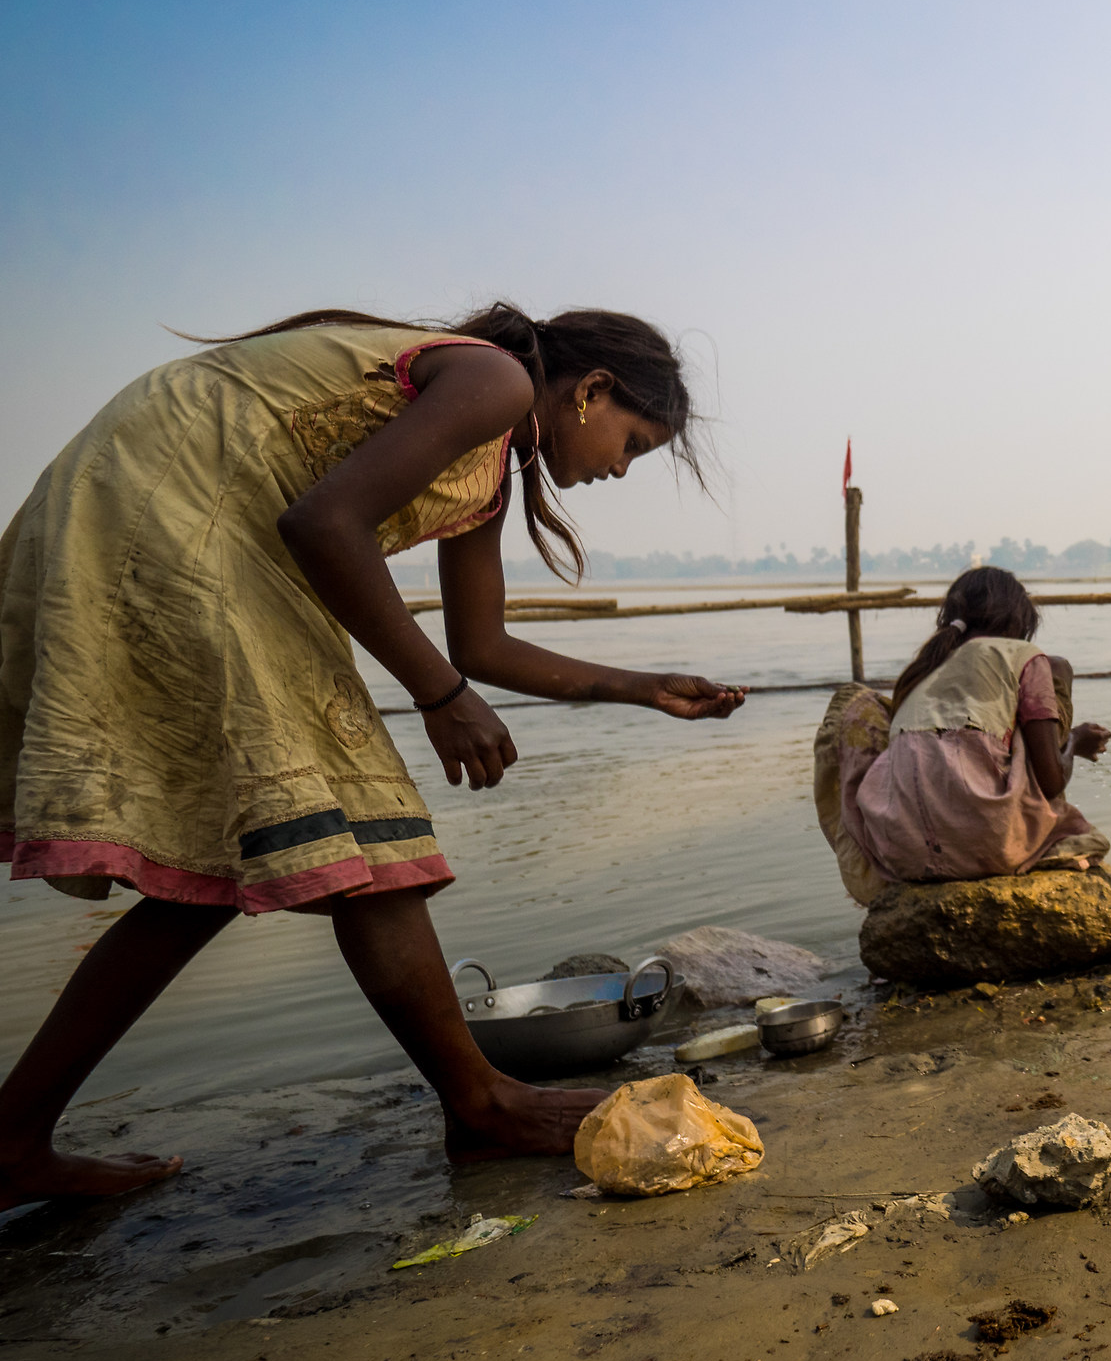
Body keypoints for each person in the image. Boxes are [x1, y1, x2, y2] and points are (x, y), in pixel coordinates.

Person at [0, 305, 748, 1210]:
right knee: (367, 834)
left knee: (221, 859)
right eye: (631, 441)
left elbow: (482, 645)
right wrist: (437, 698)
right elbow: (326, 524)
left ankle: (11, 1138)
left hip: (153, 512)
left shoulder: (490, 465)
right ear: (591, 391)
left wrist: (643, 686)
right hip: (172, 517)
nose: (619, 468)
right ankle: (479, 1104)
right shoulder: (493, 381)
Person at [823, 567, 1111, 890]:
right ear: (1019, 618)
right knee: (1058, 669)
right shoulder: (1025, 656)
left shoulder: (923, 669)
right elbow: (1051, 782)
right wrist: (1074, 740)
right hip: (988, 845)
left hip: (899, 852)